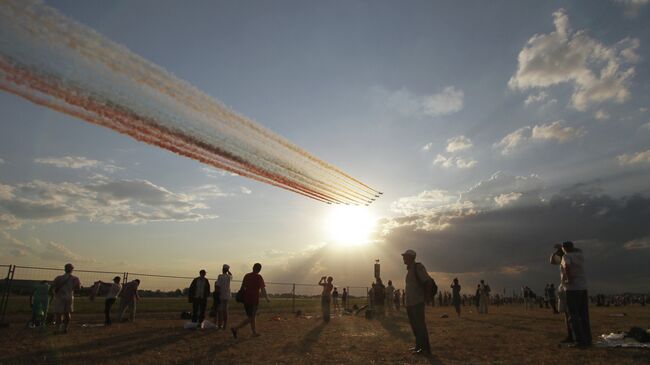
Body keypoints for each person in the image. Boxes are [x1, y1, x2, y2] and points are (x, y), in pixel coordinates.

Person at [561, 241, 592, 347]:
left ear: (564, 248)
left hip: (572, 289)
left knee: (573, 316)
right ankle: (588, 339)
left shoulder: (566, 256)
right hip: (583, 287)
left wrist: (569, 279)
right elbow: (577, 249)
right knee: (584, 316)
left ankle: (580, 340)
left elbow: (567, 267)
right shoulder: (580, 255)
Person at [402, 249, 432, 355]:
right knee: (415, 326)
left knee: (420, 326)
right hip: (410, 303)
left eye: (405, 256)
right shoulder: (410, 270)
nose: (403, 258)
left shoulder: (418, 267)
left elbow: (427, 281)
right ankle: (418, 346)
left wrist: (427, 297)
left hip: (417, 302)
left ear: (411, 257)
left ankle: (425, 349)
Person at [231, 263, 269, 338]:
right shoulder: (259, 277)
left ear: (253, 268)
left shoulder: (247, 276)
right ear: (259, 269)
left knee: (252, 316)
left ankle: (254, 332)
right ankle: (236, 328)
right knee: (251, 318)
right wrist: (267, 298)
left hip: (246, 300)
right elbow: (263, 289)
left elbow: (242, 287)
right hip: (253, 300)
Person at [550, 244, 574, 344]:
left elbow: (551, 261)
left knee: (570, 314)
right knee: (568, 314)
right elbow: (552, 261)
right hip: (568, 288)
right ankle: (572, 336)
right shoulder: (571, 257)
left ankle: (572, 336)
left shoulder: (567, 258)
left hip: (568, 288)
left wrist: (559, 250)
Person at [51, 263, 81, 334]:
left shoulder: (58, 278)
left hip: (59, 297)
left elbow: (53, 286)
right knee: (67, 313)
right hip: (69, 297)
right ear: (72, 270)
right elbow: (78, 288)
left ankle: (57, 329)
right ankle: (65, 328)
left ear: (64, 269)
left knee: (59, 313)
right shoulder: (75, 278)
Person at [215, 264, 232, 329]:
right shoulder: (229, 277)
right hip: (227, 295)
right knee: (225, 311)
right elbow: (231, 274)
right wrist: (228, 271)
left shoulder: (220, 276)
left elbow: (218, 285)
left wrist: (216, 293)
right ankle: (225, 324)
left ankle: (220, 324)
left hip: (221, 295)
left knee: (220, 310)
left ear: (222, 269)